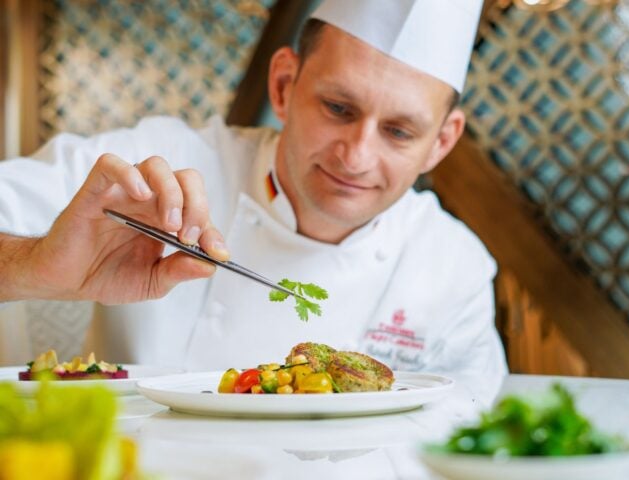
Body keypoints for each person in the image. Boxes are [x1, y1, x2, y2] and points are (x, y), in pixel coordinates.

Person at [0, 0, 506, 402]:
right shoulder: (151, 170)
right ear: (284, 85)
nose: (356, 157)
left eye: (398, 131)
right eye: (337, 108)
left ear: (440, 142)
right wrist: (36, 266)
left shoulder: (454, 270)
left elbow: (466, 442)